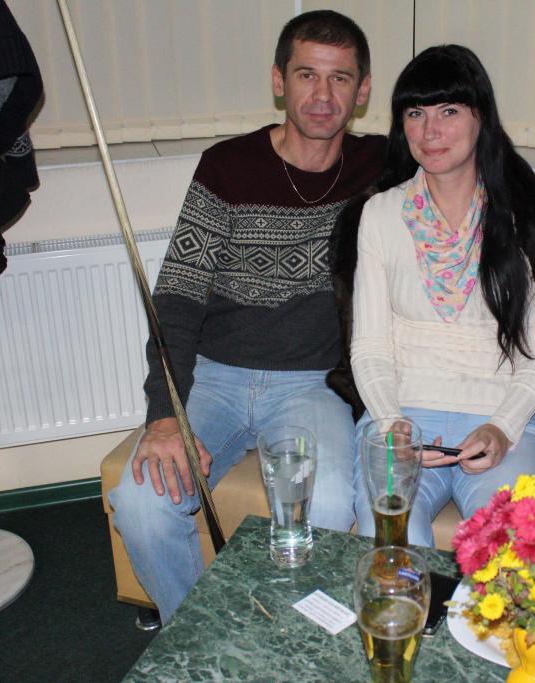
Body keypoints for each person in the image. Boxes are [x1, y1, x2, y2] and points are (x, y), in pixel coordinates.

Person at [108, 10, 385, 624]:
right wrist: (164, 415)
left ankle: (290, 638)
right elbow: (177, 299)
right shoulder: (226, 166)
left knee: (330, 501)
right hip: (215, 378)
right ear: (279, 81)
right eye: (307, 74)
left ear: (362, 90)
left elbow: (476, 164)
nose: (323, 95)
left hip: (313, 384)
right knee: (141, 504)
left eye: (340, 78)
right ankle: (196, 635)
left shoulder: (382, 167)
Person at [349, 44, 535, 547]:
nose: (430, 131)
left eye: (449, 111)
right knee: (390, 542)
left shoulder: (526, 213)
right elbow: (369, 346)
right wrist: (392, 425)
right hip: (402, 417)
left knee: (513, 550)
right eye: (415, 113)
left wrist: (503, 426)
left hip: (502, 419)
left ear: (481, 117)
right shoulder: (380, 214)